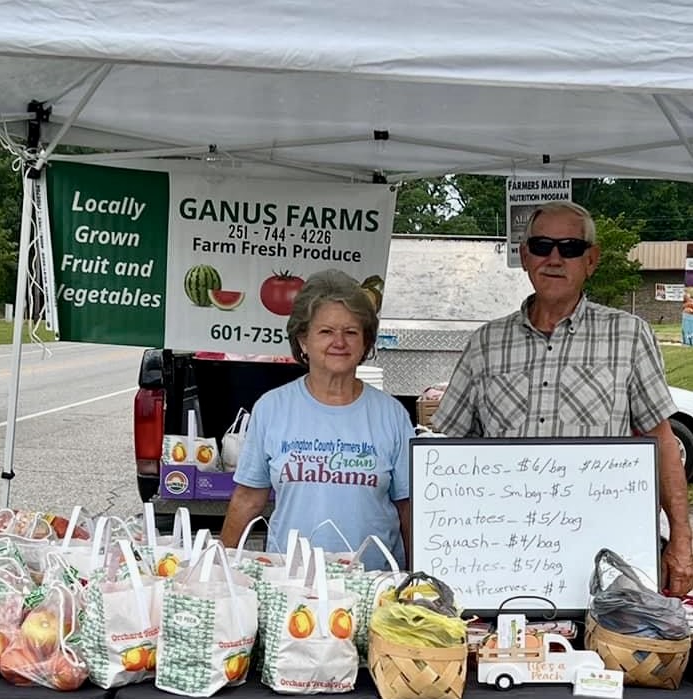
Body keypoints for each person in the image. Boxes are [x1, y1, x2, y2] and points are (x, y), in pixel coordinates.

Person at [432, 200, 693, 596]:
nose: (554, 258)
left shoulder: (629, 336)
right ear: (524, 256)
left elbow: (662, 442)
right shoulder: (485, 344)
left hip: (604, 555)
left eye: (570, 247)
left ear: (591, 260)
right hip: (502, 554)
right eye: (541, 246)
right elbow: (449, 453)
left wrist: (681, 539)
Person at [220, 271, 414, 569]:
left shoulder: (392, 415)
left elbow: (408, 508)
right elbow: (248, 498)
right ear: (303, 341)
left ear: (365, 343)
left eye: (351, 332)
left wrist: (419, 580)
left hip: (374, 585)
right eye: (326, 332)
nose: (339, 342)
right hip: (290, 582)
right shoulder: (272, 408)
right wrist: (219, 570)